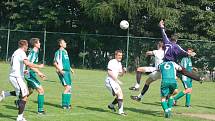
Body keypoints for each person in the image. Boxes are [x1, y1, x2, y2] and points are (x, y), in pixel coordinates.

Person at [0, 40, 45, 121]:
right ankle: (20, 117)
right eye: (27, 46)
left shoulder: (16, 52)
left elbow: (14, 63)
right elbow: (27, 63)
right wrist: (39, 66)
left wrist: (22, 70)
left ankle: (5, 94)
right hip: (17, 77)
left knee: (25, 93)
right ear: (24, 45)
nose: (27, 47)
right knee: (24, 96)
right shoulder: (21, 52)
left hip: (16, 76)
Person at [24, 38, 46, 114]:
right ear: (35, 44)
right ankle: (40, 110)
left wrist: (38, 72)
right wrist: (39, 73)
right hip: (29, 75)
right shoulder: (33, 52)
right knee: (41, 90)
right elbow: (30, 65)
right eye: (39, 42)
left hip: (31, 74)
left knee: (29, 91)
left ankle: (19, 101)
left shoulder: (36, 52)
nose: (40, 44)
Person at [105, 50, 127, 116]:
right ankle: (121, 111)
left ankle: (111, 105)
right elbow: (109, 72)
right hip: (110, 81)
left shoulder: (119, 63)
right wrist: (116, 80)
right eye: (119, 55)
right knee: (120, 95)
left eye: (121, 55)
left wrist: (123, 71)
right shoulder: (112, 62)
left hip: (114, 81)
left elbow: (120, 74)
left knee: (120, 95)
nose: (120, 57)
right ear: (115, 55)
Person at [53, 39, 73, 109]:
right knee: (67, 88)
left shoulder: (65, 51)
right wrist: (60, 70)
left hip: (67, 71)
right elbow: (55, 63)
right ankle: (64, 104)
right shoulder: (58, 52)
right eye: (64, 42)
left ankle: (68, 104)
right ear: (60, 44)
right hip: (63, 71)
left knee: (69, 88)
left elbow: (66, 62)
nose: (65, 43)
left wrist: (70, 69)